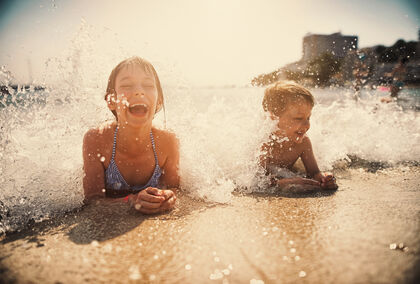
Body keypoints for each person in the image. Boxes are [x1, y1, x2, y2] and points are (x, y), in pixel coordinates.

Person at [83, 56, 179, 214]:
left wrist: (169, 197)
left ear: (159, 101)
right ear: (111, 100)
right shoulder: (96, 139)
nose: (139, 91)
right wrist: (131, 200)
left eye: (148, 85)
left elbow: (175, 188)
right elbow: (92, 201)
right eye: (127, 85)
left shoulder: (168, 141)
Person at [260, 82, 338, 192]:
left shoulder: (303, 143)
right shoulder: (264, 143)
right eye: (298, 118)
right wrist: (286, 183)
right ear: (273, 117)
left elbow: (314, 173)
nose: (307, 125)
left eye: (308, 118)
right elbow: (256, 182)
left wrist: (324, 179)